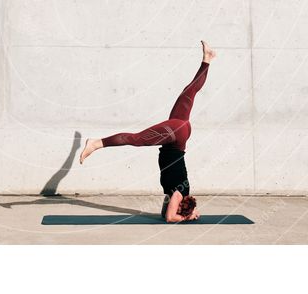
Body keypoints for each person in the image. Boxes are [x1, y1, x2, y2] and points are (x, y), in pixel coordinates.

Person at [79, 40, 216, 223]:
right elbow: (169, 218)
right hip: (176, 135)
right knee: (137, 139)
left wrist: (190, 213)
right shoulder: (178, 195)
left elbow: (167, 213)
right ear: (181, 206)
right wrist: (188, 216)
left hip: (178, 136)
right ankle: (96, 143)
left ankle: (207, 59)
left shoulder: (177, 193)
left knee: (189, 93)